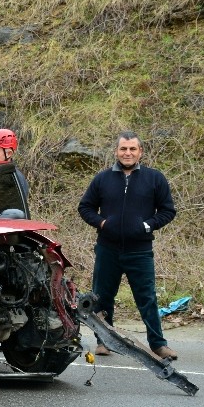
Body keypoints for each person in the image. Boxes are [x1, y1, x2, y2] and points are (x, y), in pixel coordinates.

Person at [78, 131, 178, 360]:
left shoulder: (155, 179)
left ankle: (158, 345)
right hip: (108, 249)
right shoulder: (102, 179)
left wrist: (147, 225)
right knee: (101, 297)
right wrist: (102, 222)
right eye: (123, 149)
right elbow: (85, 208)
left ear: (140, 152)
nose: (128, 153)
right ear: (116, 151)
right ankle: (104, 341)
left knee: (147, 298)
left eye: (133, 149)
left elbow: (167, 211)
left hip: (140, 250)